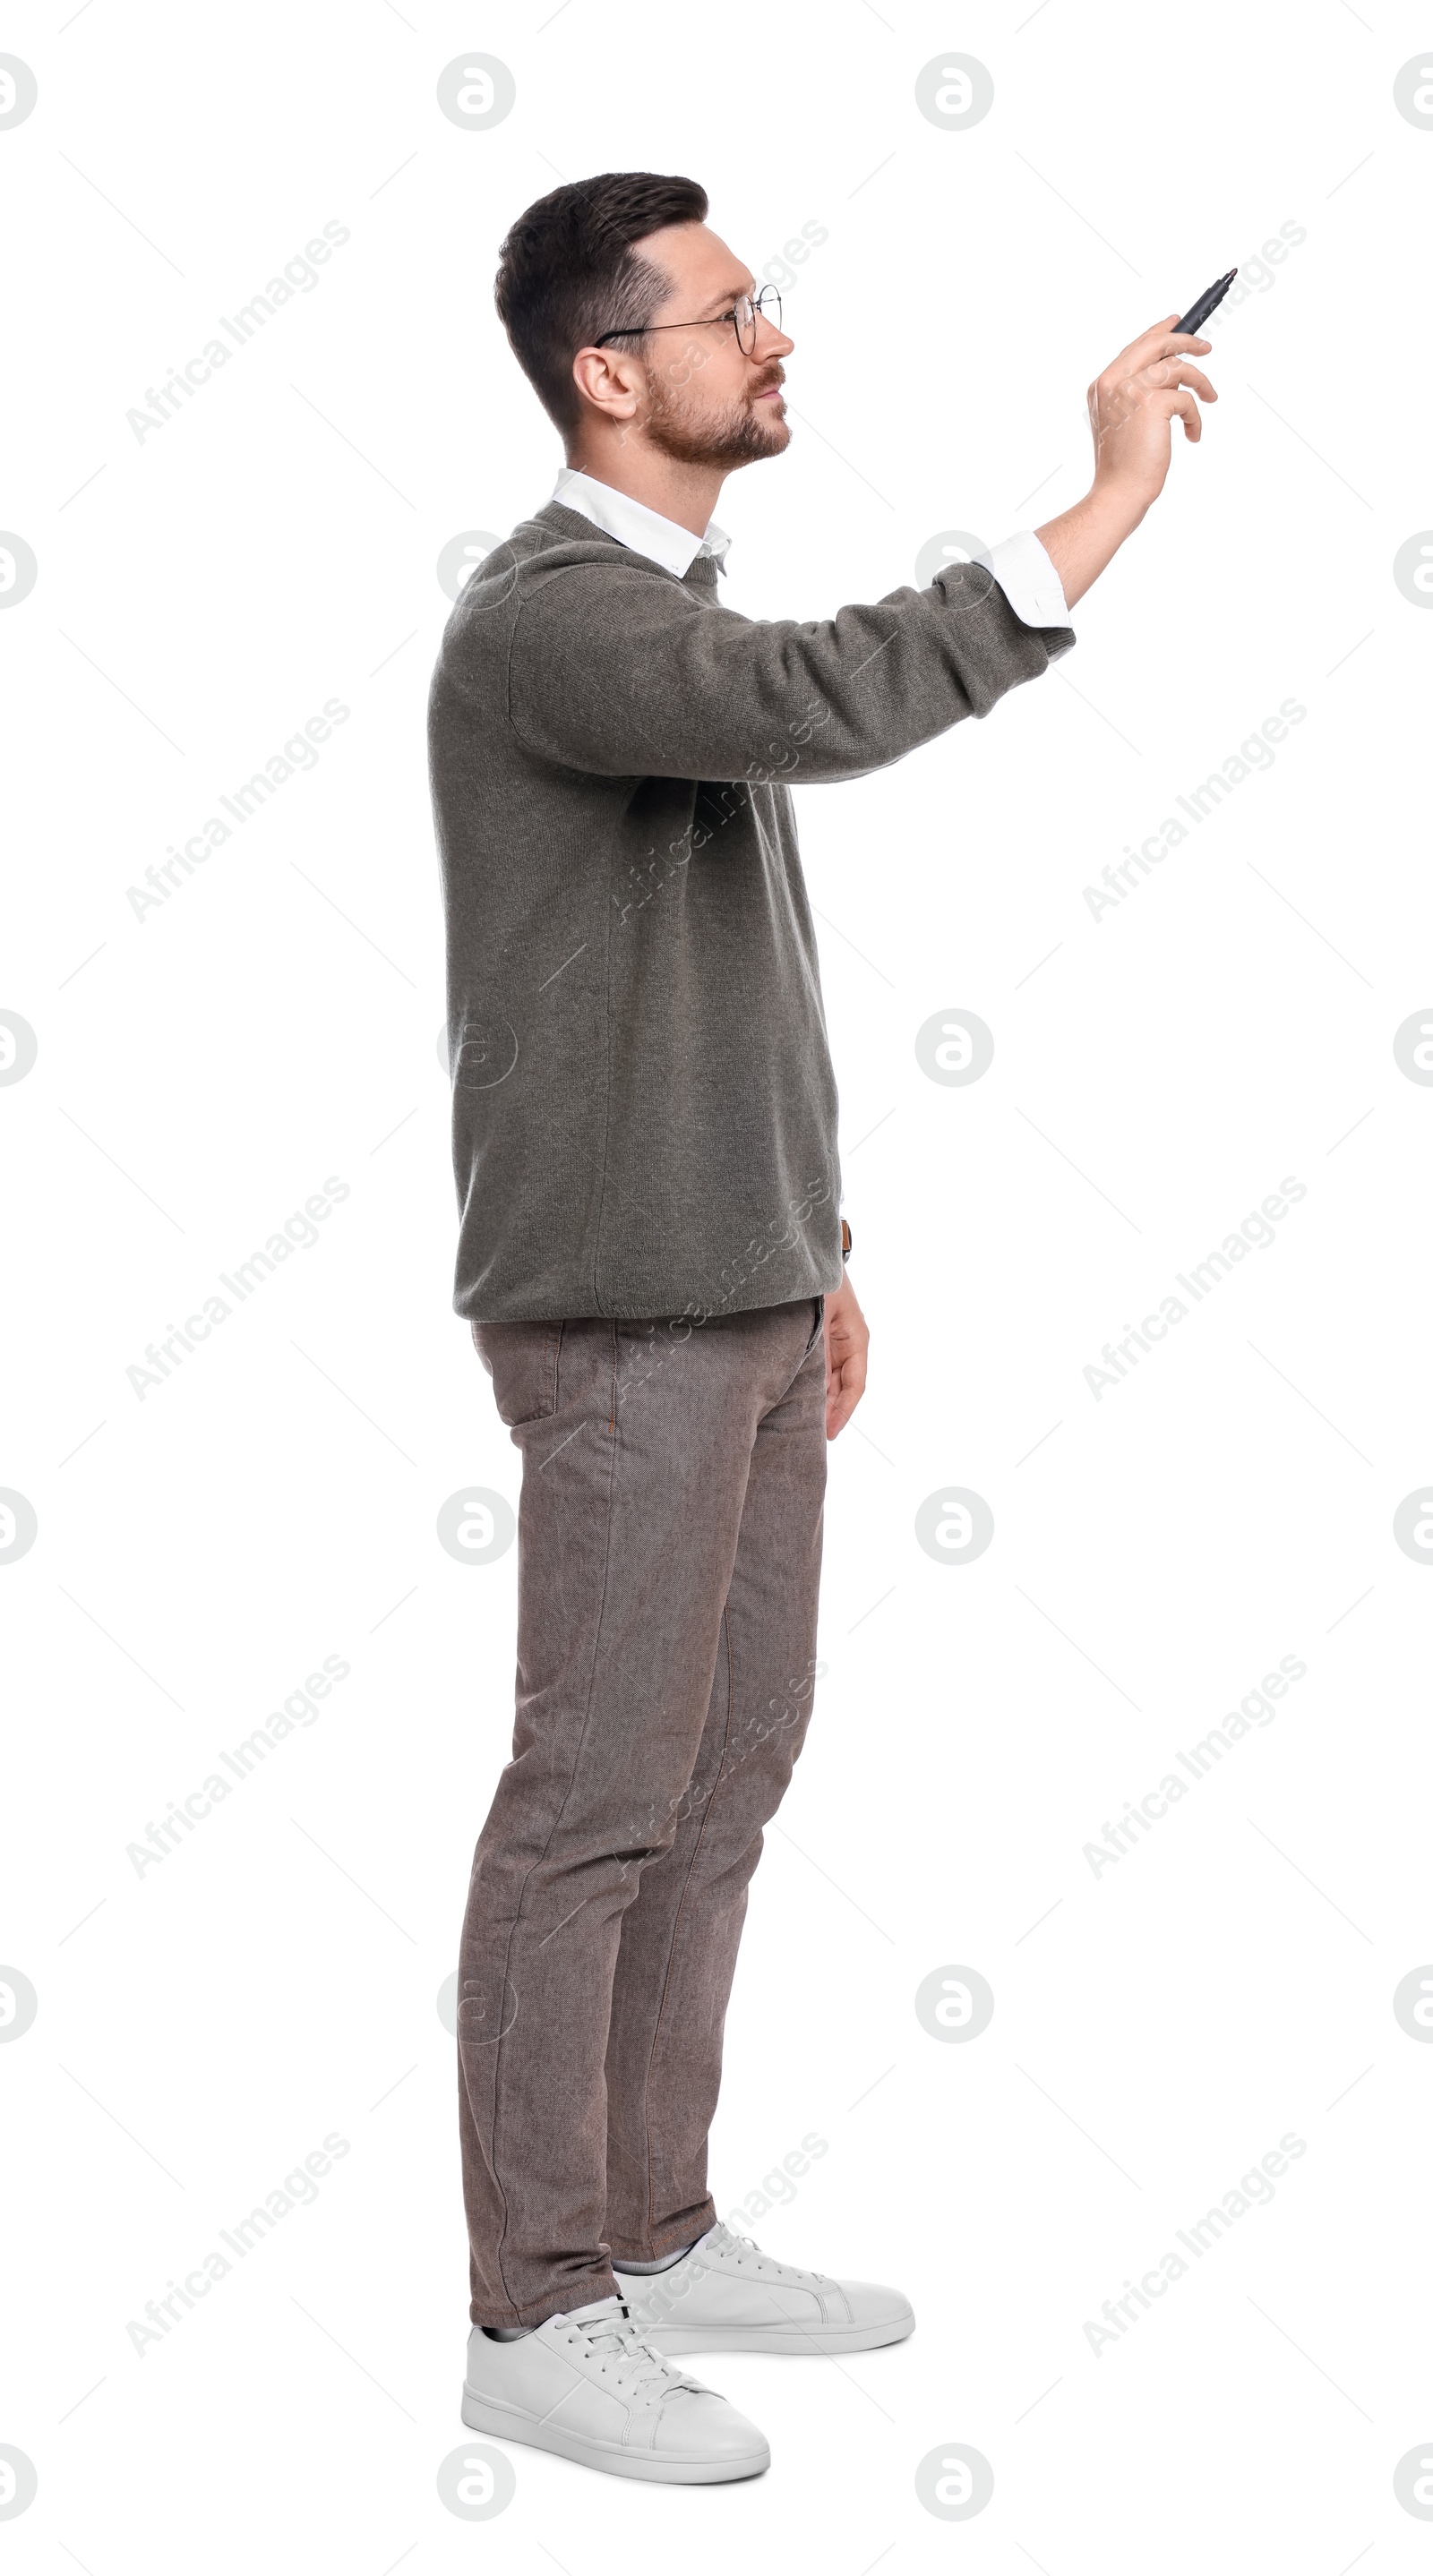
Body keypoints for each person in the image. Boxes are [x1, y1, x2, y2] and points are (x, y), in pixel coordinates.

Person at [427, 170, 1215, 2486]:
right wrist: (1106, 499)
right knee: (592, 1803)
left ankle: (654, 2233)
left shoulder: (660, 610)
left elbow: (700, 987)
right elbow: (825, 704)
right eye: (729, 311)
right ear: (608, 370)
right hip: (626, 1320)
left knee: (722, 1783)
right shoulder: (549, 619)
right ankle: (531, 2303)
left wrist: (815, 1238)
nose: (773, 339)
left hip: (752, 1292)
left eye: (768, 301)